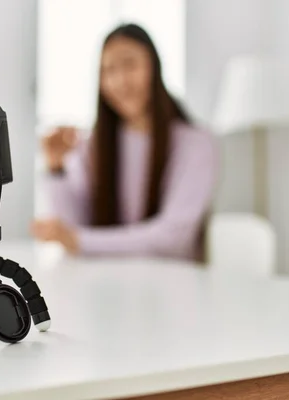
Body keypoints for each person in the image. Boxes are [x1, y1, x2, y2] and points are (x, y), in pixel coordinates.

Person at [31, 23, 218, 261]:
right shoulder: (93, 145)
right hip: (104, 280)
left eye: (130, 65)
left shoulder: (196, 143)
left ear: (155, 68)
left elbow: (174, 238)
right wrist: (55, 168)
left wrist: (81, 240)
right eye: (108, 70)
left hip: (173, 283)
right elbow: (71, 231)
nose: (120, 81)